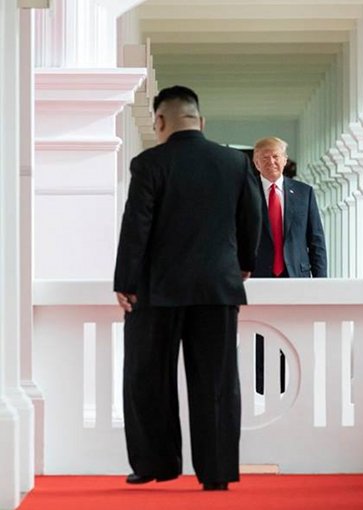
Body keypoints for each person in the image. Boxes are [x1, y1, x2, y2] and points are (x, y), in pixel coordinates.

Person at [113, 86, 261, 492]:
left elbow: (136, 227)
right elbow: (253, 218)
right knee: (216, 382)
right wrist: (244, 264)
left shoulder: (149, 163)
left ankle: (154, 464)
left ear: (160, 122)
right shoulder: (235, 162)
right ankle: (215, 473)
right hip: (217, 288)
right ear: (201, 121)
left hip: (155, 291)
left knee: (147, 378)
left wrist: (125, 282)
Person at [251, 136, 327, 278]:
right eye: (265, 158)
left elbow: (316, 240)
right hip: (256, 276)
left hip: (296, 275)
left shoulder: (304, 193)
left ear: (285, 160)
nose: (271, 162)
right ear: (256, 163)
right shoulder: (245, 192)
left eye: (275, 156)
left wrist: (320, 281)